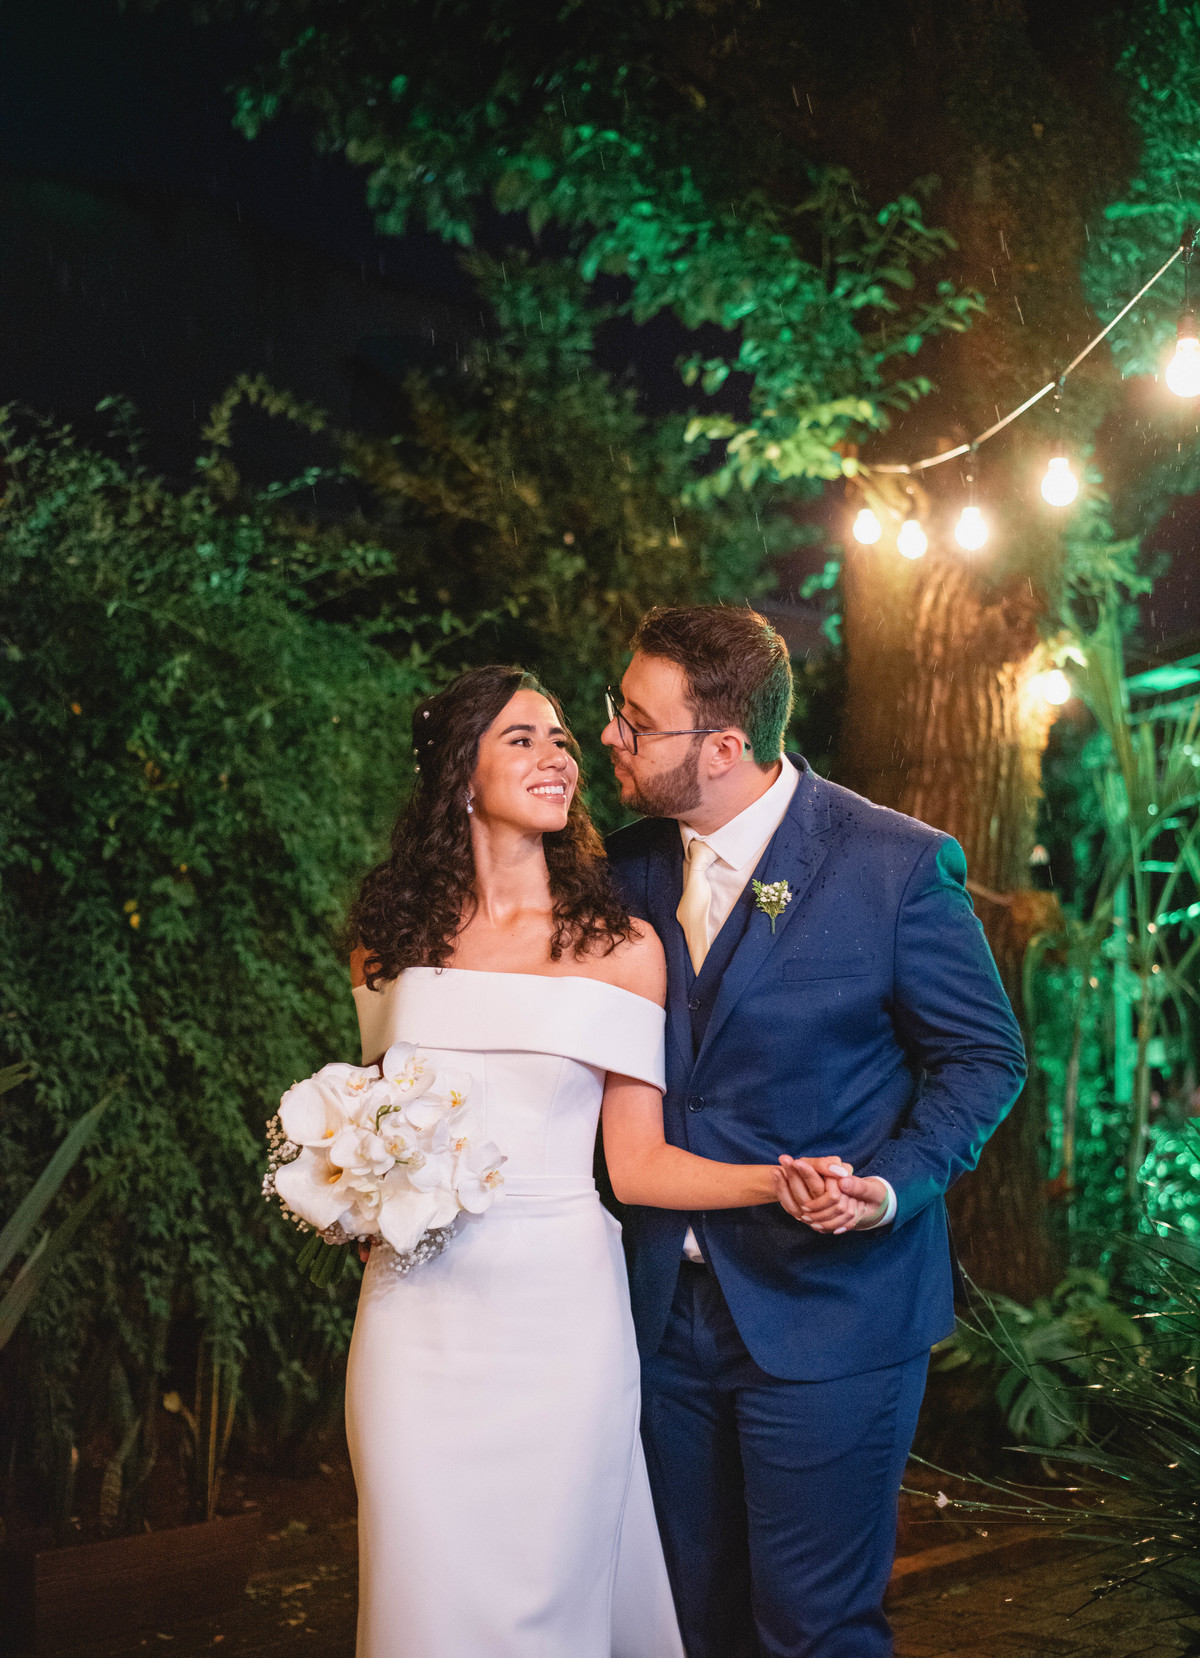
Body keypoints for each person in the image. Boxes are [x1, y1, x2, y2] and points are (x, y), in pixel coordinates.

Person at [343, 664, 815, 1658]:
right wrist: (340, 1181)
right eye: (522, 738)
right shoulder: (385, 945)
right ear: (460, 774)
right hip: (413, 1317)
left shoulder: (623, 947)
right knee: (419, 1583)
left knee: (544, 1592)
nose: (558, 755)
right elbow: (373, 1124)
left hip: (561, 1316)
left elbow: (637, 1166)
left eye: (562, 738)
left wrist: (778, 1180)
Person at [602, 605, 1028, 1658]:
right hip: (656, 1316)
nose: (609, 733)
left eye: (637, 721)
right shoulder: (621, 869)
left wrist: (888, 1187)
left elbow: (985, 1059)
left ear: (723, 747)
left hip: (835, 1311)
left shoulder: (894, 864)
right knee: (688, 1622)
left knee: (813, 1628)